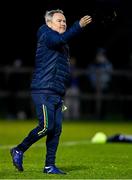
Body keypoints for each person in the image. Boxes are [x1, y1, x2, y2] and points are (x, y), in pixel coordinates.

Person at [10, 9, 92, 174]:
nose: (63, 23)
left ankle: (49, 166)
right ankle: (19, 149)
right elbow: (59, 40)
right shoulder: (46, 35)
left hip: (56, 93)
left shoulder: (61, 43)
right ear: (49, 23)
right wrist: (78, 26)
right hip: (43, 90)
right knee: (46, 126)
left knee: (56, 130)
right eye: (59, 20)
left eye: (64, 21)